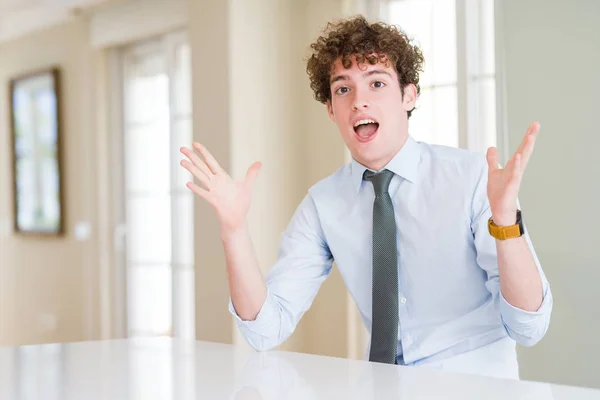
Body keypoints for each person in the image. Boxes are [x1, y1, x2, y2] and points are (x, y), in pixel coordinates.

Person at [179, 16, 552, 379]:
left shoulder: (472, 177)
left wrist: (506, 224)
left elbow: (529, 326)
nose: (359, 101)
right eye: (343, 89)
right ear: (331, 109)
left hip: (476, 386)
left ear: (409, 95)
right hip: (382, 386)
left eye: (376, 83)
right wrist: (233, 229)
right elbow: (265, 330)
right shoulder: (323, 204)